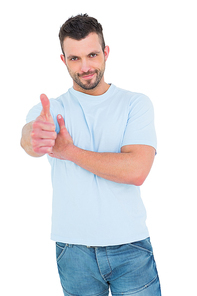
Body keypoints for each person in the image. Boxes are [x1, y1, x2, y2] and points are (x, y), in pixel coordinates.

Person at [21, 13, 161, 296]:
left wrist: (70, 151)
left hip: (130, 246)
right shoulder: (51, 110)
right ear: (63, 60)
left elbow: (136, 171)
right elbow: (29, 139)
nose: (85, 67)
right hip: (73, 251)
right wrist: (36, 137)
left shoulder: (135, 104)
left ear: (106, 53)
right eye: (74, 59)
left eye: (92, 55)